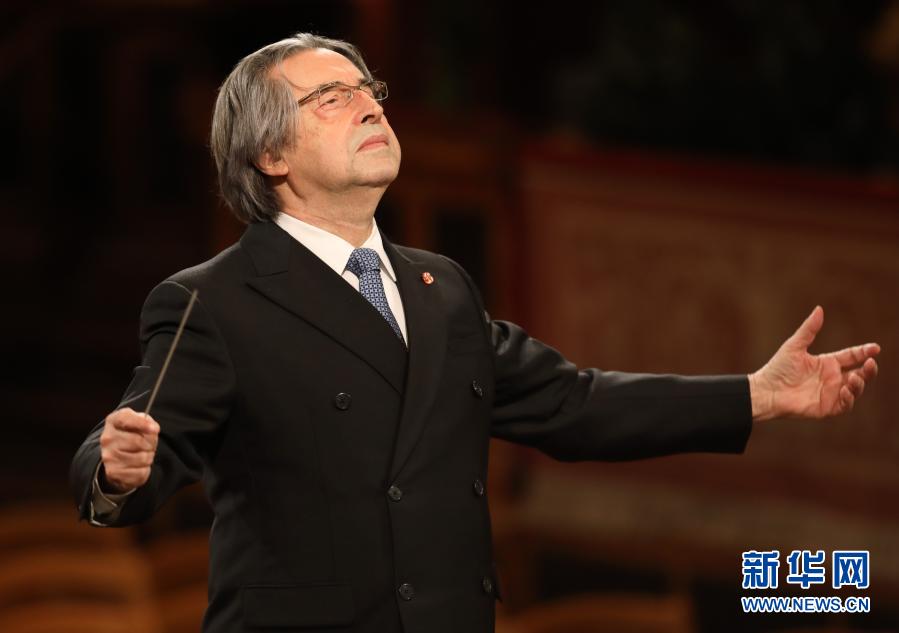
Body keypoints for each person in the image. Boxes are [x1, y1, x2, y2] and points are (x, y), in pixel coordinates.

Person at [69, 33, 880, 633]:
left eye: (369, 88)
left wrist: (753, 395)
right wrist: (115, 468)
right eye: (332, 98)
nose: (370, 104)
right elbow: (130, 456)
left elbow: (572, 403)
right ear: (270, 154)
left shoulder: (440, 286)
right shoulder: (212, 301)